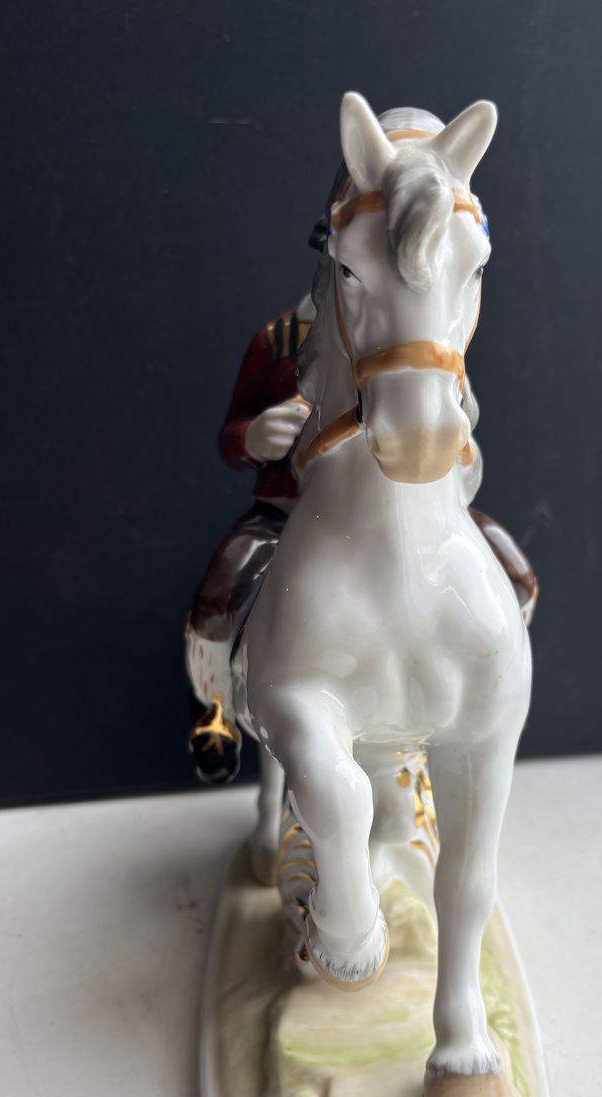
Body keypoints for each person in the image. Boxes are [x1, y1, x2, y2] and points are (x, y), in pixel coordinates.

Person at [186, 265, 537, 785]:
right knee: (220, 592)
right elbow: (231, 433)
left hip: (411, 507)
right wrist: (253, 437)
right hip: (289, 508)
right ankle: (217, 705)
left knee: (516, 575)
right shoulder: (276, 340)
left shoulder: (414, 328)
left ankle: (490, 687)